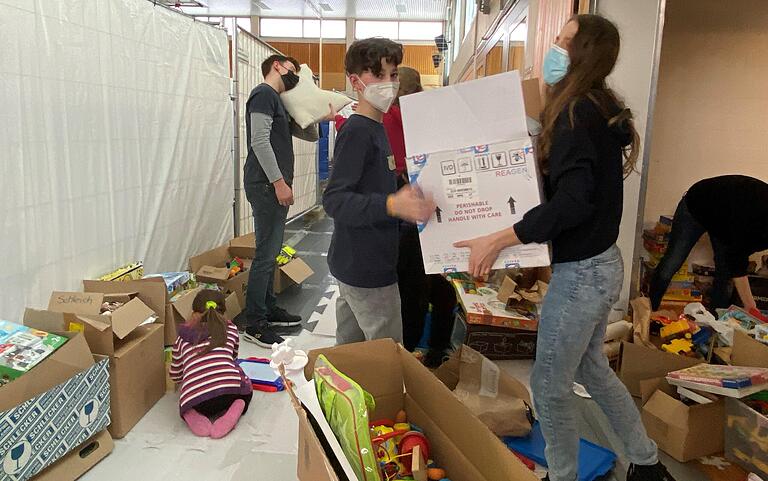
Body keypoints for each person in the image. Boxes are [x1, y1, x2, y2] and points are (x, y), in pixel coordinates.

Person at [454, 15, 675, 481]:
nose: (553, 47)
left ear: (585, 53)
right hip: (600, 265)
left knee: (550, 385)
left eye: (562, 40)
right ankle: (647, 463)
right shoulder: (594, 107)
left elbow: (573, 202)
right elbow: (576, 186)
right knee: (593, 369)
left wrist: (500, 237)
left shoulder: (577, 113)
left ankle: (564, 476)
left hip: (583, 276)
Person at [334, 67, 458, 364]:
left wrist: (338, 120)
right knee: (433, 286)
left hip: (397, 222)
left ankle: (406, 354)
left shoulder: (378, 122)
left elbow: (340, 197)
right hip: (427, 212)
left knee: (406, 292)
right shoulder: (427, 118)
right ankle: (435, 349)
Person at [323, 38, 435, 346]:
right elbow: (334, 200)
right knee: (387, 354)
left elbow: (375, 188)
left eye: (394, 75)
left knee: (351, 350)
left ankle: (339, 392)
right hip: (366, 267)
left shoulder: (378, 127)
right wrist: (391, 204)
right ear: (355, 81)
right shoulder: (358, 131)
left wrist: (404, 203)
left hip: (363, 261)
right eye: (379, 75)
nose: (389, 83)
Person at [243, 55, 329, 347]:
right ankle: (254, 322)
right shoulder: (263, 94)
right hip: (267, 185)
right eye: (291, 69)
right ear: (277, 66)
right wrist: (278, 182)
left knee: (271, 250)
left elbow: (310, 134)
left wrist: (315, 111)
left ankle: (267, 308)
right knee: (266, 254)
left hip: (272, 185)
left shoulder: (278, 101)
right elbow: (259, 140)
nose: (294, 75)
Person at [649, 175, 768, 318]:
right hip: (696, 205)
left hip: (727, 219)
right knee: (672, 262)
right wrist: (751, 307)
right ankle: (649, 311)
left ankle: (716, 327)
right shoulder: (756, 221)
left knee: (724, 275)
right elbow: (737, 259)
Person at [169, 290, 253, 439]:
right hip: (229, 393)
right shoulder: (231, 329)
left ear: (194, 311)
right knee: (244, 386)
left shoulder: (181, 338)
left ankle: (190, 412)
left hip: (197, 401)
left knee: (188, 396)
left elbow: (175, 375)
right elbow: (233, 358)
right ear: (223, 312)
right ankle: (236, 406)